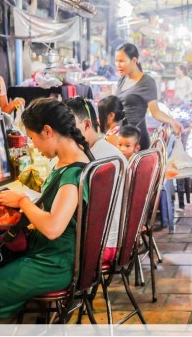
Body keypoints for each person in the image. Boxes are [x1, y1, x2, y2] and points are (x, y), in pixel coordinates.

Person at [0, 98, 92, 324]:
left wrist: (23, 201)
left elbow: (52, 228)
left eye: (32, 139)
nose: (34, 146)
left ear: (48, 131)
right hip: (58, 257)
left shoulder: (72, 175)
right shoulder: (79, 159)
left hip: (52, 264)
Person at [66, 97, 128, 264]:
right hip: (119, 239)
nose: (65, 136)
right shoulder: (102, 150)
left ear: (87, 125)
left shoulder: (95, 160)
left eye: (69, 128)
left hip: (102, 245)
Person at [114, 43, 182, 149]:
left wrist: (172, 121)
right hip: (122, 138)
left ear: (134, 60)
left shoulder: (147, 82)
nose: (118, 65)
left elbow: (155, 112)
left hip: (137, 140)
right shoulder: (122, 80)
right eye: (116, 61)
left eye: (122, 61)